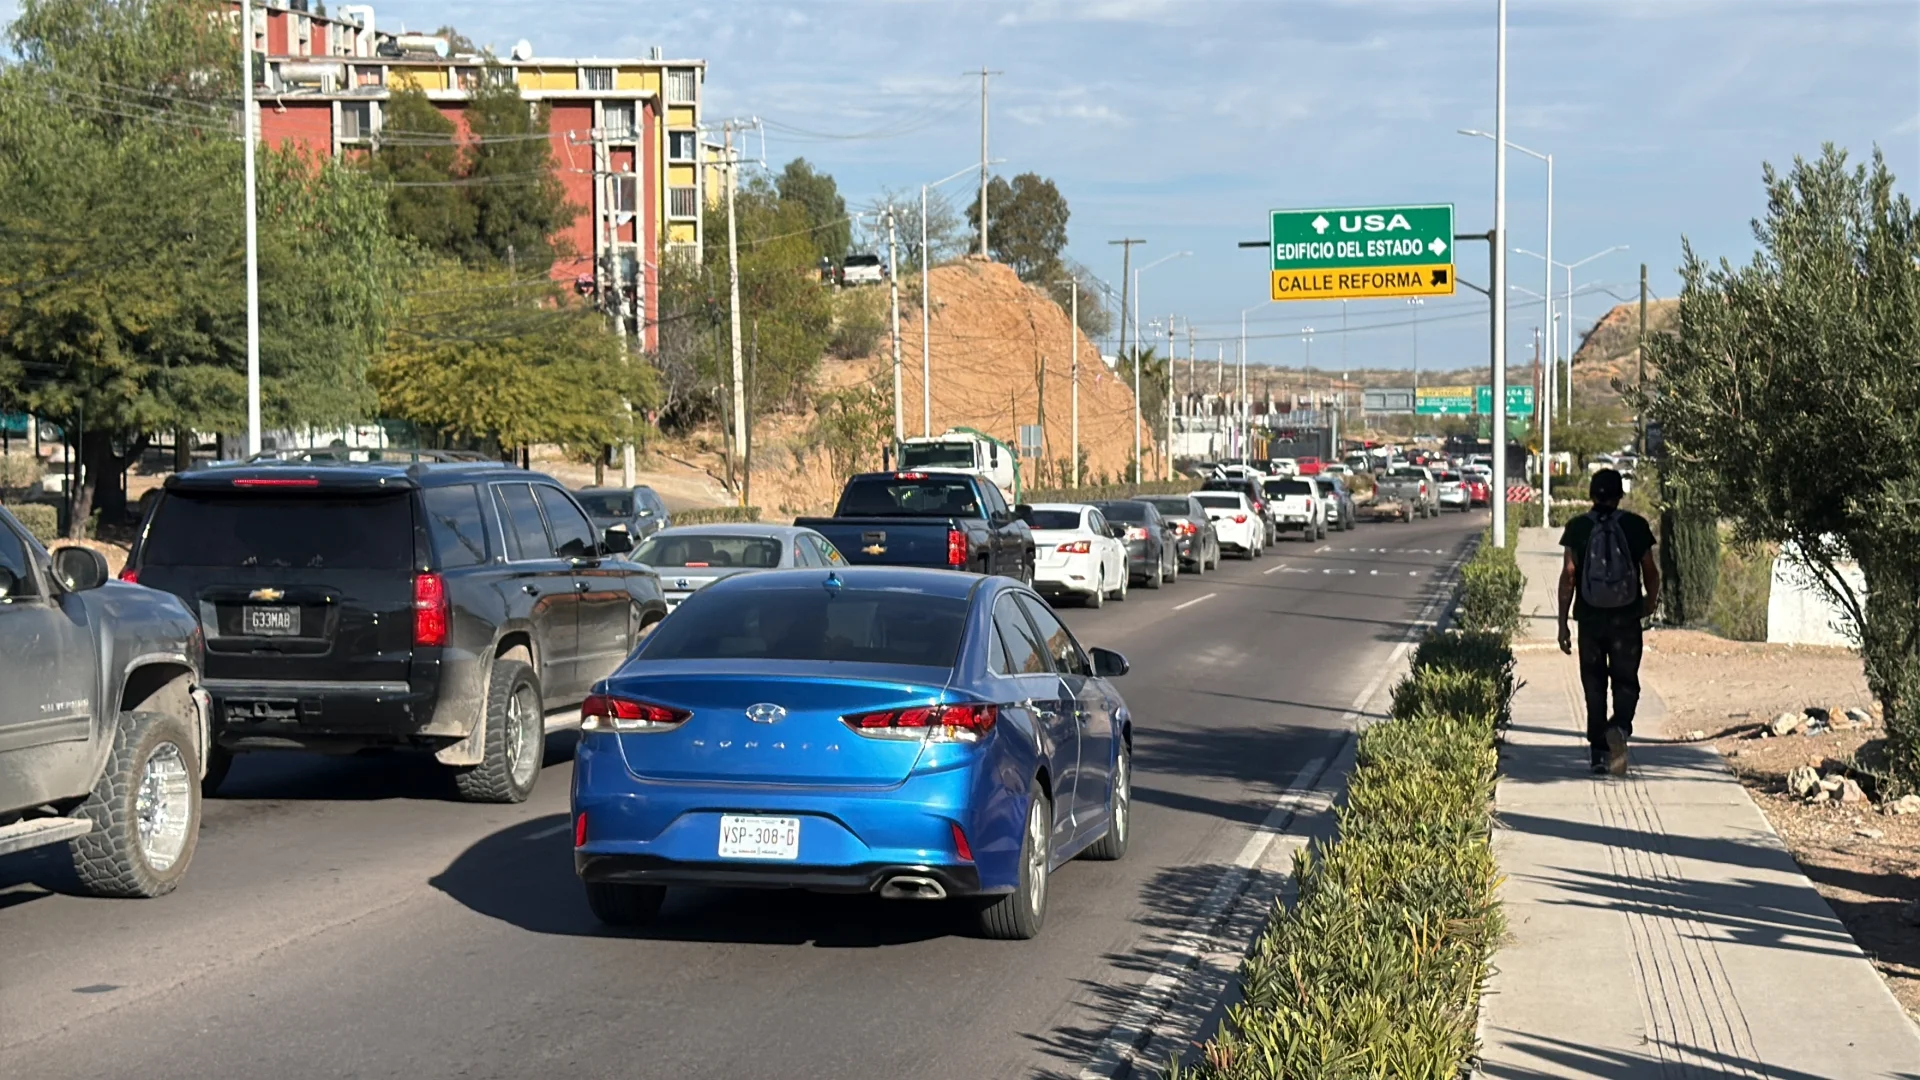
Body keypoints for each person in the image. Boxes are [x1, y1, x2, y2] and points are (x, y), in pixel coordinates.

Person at [1556, 468, 1660, 775]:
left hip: (1589, 620)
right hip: (1626, 619)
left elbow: (1569, 575)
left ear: (1591, 494)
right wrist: (1649, 602)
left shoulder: (1577, 527)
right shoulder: (1635, 526)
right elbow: (1650, 571)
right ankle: (1620, 727)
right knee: (1626, 682)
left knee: (1594, 685)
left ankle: (1599, 753)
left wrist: (1562, 623)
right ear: (1619, 496)